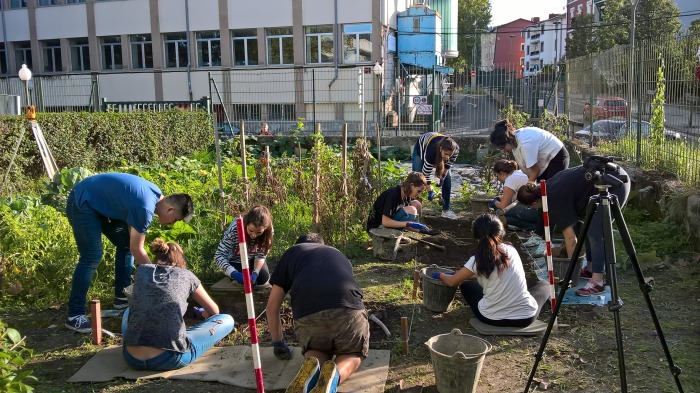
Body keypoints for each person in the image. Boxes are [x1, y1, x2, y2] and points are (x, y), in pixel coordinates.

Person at [65, 172, 194, 333]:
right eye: (175, 219)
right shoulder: (145, 207)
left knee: (125, 245)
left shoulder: (154, 195)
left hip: (99, 204)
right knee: (92, 255)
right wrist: (157, 282)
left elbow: (131, 241)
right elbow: (137, 248)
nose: (172, 224)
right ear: (169, 209)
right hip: (83, 201)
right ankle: (74, 315)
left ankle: (121, 297)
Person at [266, 233, 369, 393]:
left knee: (316, 351)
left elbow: (272, 306)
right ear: (322, 244)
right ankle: (333, 379)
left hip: (308, 313)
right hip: (347, 309)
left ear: (298, 244)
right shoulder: (337, 253)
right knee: (351, 354)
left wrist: (278, 342)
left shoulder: (292, 253)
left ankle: (311, 369)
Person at [517, 163, 631, 296]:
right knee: (587, 226)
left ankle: (597, 282)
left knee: (595, 232)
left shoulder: (553, 199)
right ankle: (590, 268)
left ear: (534, 203)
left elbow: (571, 239)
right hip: (605, 176)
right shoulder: (548, 187)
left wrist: (570, 273)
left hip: (613, 182)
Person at [121, 238, 234, 371]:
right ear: (180, 260)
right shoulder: (187, 275)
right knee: (226, 319)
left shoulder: (141, 270)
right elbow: (215, 311)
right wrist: (204, 313)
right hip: (169, 358)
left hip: (132, 359)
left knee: (129, 310)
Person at [433, 214, 550, 327]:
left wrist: (440, 275)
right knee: (544, 284)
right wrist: (461, 274)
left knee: (467, 286)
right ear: (501, 232)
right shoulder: (511, 251)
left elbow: (452, 282)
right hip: (525, 318)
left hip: (491, 318)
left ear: (476, 235)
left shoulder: (477, 260)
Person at [489, 119, 569, 184]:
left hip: (556, 155)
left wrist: (528, 185)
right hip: (545, 159)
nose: (503, 151)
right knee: (542, 192)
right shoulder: (514, 141)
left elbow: (535, 170)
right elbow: (528, 168)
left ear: (509, 140)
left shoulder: (525, 144)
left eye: (503, 147)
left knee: (553, 189)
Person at [215, 205, 273, 287]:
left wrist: (255, 273)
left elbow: (261, 255)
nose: (254, 235)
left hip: (252, 260)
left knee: (262, 278)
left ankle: (252, 275)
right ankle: (234, 275)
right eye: (251, 230)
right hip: (235, 261)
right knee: (243, 281)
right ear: (246, 223)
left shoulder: (268, 232)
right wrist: (234, 273)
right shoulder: (235, 229)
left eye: (258, 232)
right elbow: (219, 256)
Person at [412, 132, 460, 219]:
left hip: (436, 144)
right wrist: (430, 191)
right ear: (441, 149)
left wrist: (443, 176)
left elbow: (448, 166)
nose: (448, 157)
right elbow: (425, 174)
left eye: (450, 154)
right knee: (417, 177)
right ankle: (413, 209)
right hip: (423, 144)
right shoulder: (431, 152)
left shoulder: (455, 150)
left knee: (448, 180)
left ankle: (446, 210)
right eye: (446, 154)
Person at [367, 171, 433, 234]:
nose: (419, 195)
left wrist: (420, 231)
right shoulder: (393, 195)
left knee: (416, 204)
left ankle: (395, 233)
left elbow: (402, 222)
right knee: (412, 210)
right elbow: (386, 222)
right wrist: (408, 223)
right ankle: (390, 235)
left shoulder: (406, 195)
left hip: (385, 225)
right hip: (376, 229)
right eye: (418, 191)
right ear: (411, 185)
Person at [489, 159, 540, 231]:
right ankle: (535, 226)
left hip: (530, 211)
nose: (498, 178)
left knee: (499, 214)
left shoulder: (510, 180)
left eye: (497, 176)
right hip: (538, 210)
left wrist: (494, 201)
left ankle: (532, 227)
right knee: (507, 216)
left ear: (502, 174)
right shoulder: (519, 172)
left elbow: (503, 206)